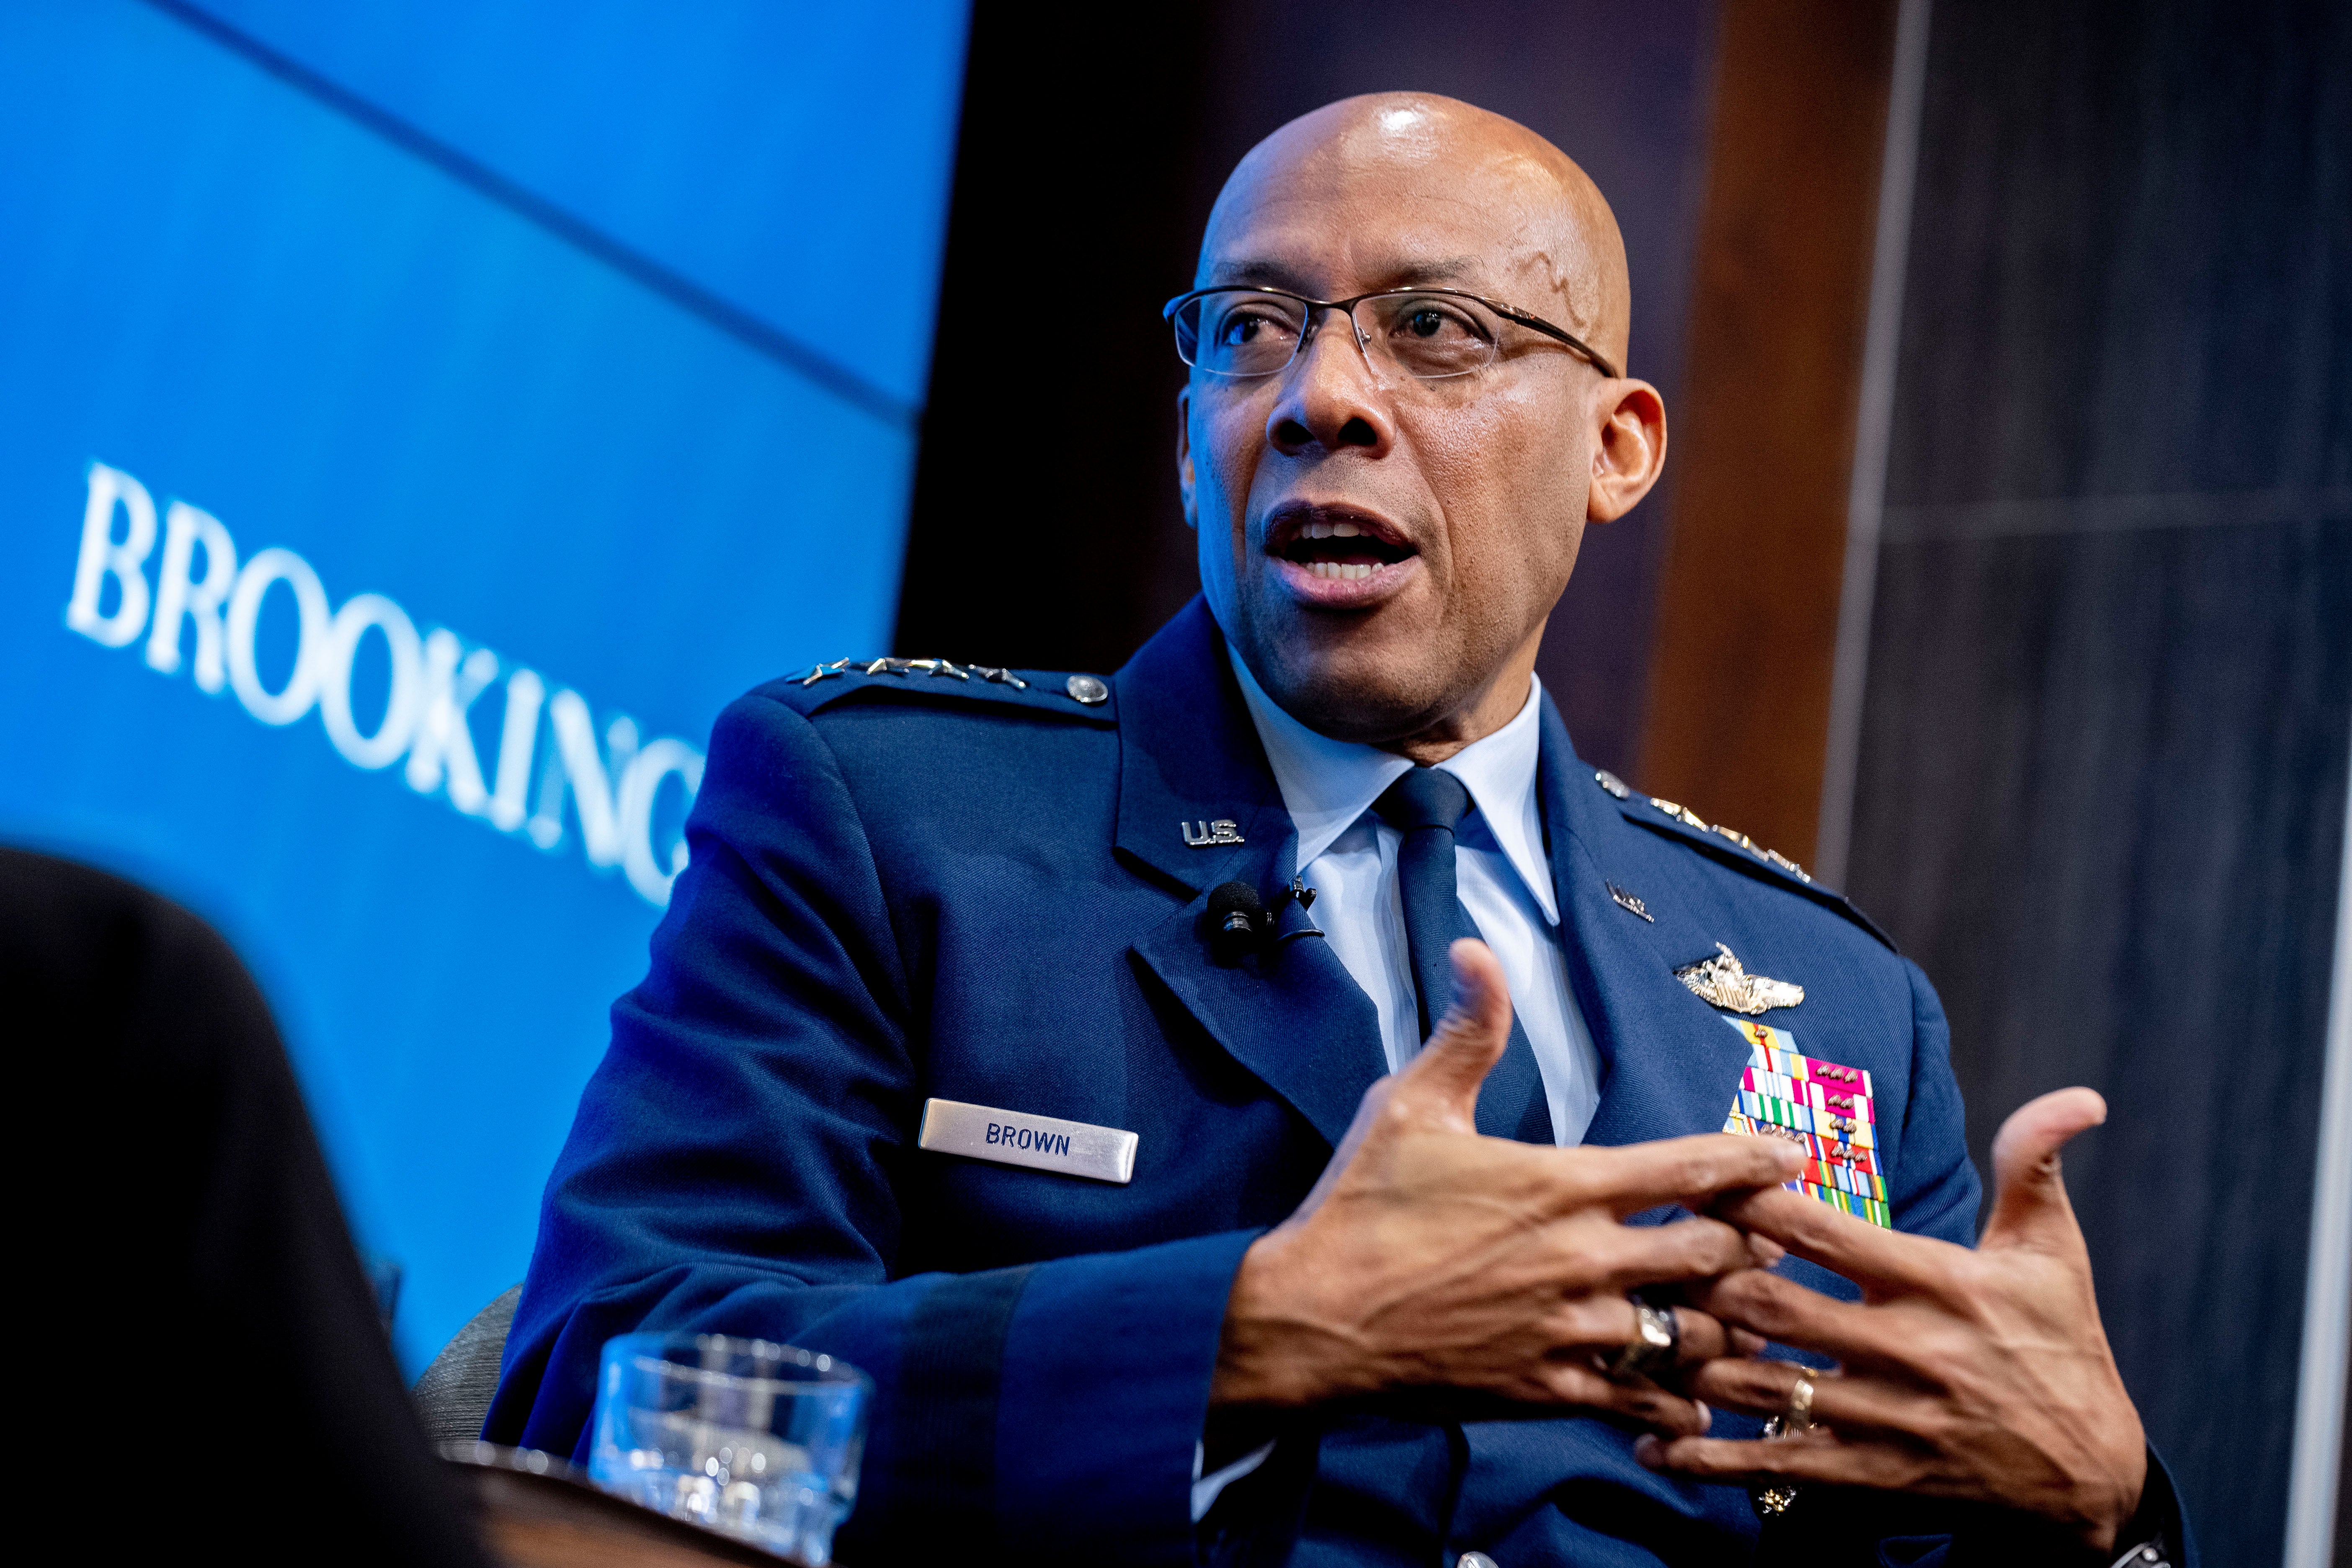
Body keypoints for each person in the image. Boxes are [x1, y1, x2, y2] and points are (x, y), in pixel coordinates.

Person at [488, 94, 2188, 1566]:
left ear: (1618, 448)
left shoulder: (1837, 1009)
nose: (1319, 397)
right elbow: (608, 1379)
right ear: (1187, 445)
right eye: (1251, 327)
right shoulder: (888, 814)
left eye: (1435, 328)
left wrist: (2097, 1513)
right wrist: (1251, 1336)